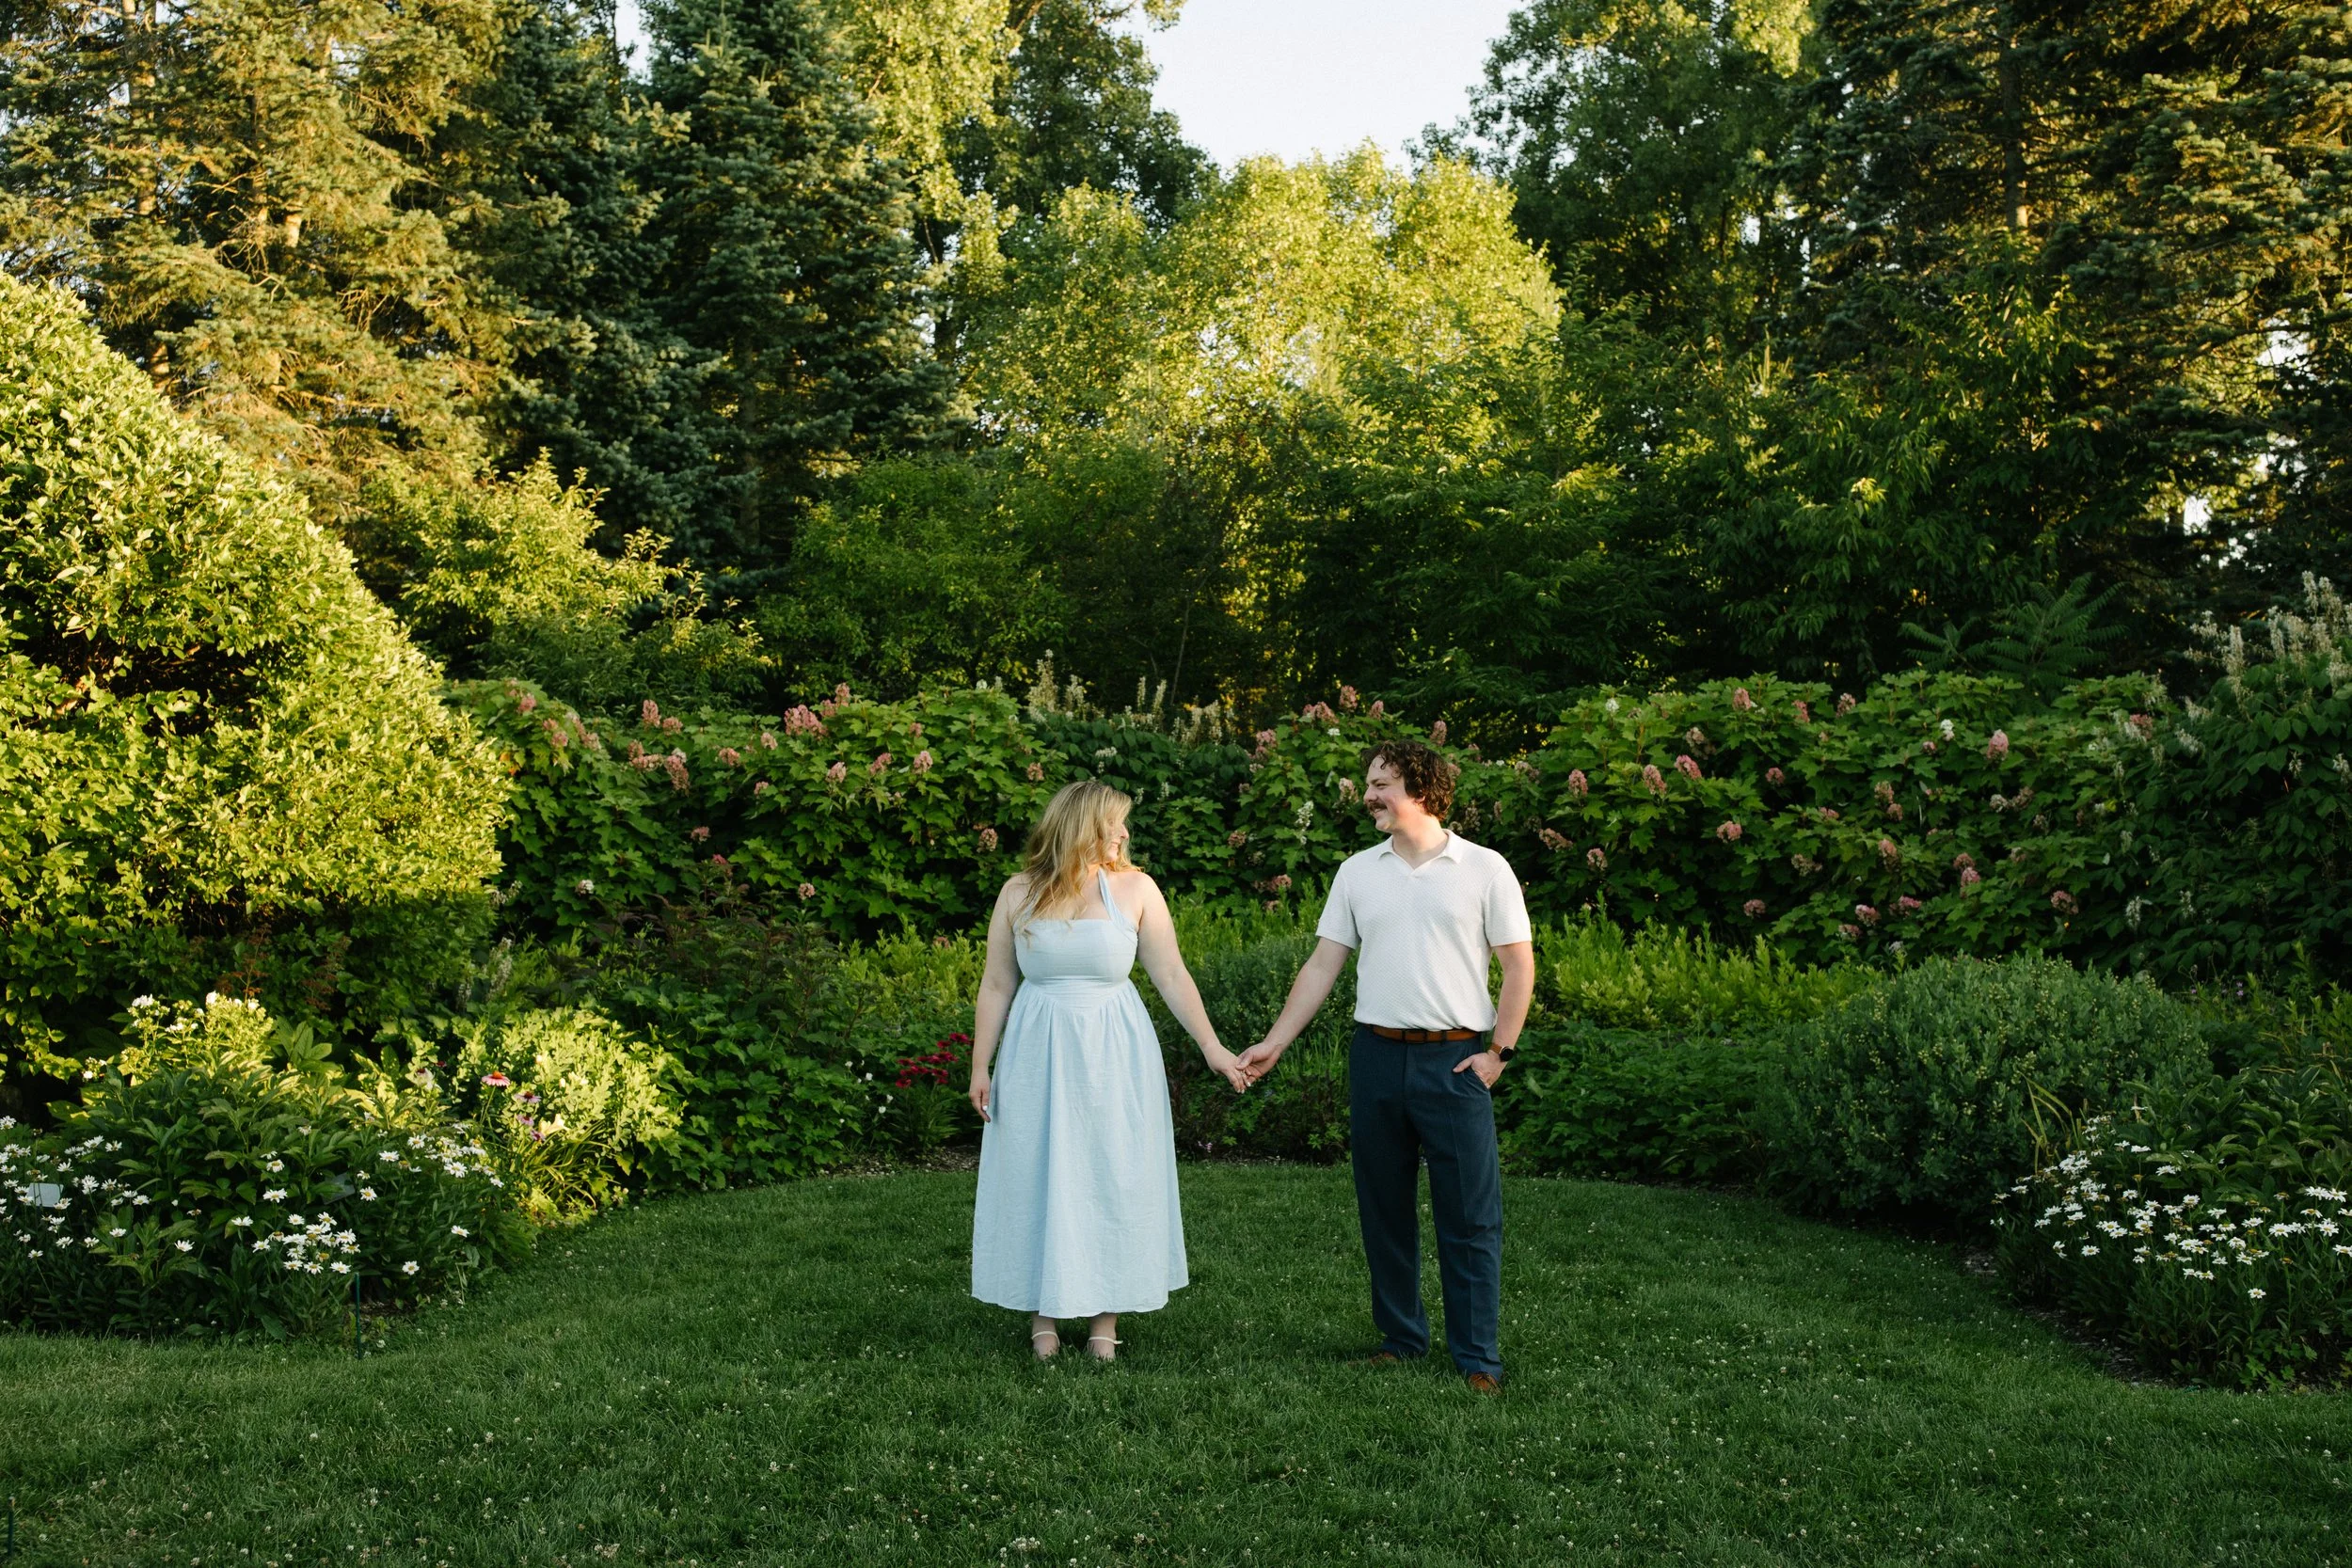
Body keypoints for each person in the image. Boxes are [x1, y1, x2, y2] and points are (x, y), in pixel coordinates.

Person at [1236, 741, 1534, 1392]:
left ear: (1421, 788)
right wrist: (1276, 1041)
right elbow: (1322, 965)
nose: (1369, 795)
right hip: (1374, 1056)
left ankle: (1477, 1355)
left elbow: (1518, 964)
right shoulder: (1357, 872)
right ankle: (1401, 1337)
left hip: (1456, 1060)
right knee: (1383, 1207)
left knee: (1470, 1214)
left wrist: (1498, 1054)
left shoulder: (1484, 869)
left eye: (1382, 783)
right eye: (1370, 783)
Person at [968, 779, 1251, 1361]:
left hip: (1115, 1051)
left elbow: (1171, 975)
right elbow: (997, 982)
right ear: (1085, 827)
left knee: (1113, 1169)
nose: (1125, 833)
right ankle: (1042, 1315)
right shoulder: (1018, 892)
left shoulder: (1137, 889)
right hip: (1037, 1048)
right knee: (1036, 1167)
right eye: (1116, 823)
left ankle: (1104, 1318)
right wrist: (981, 1065)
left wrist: (1214, 1049)